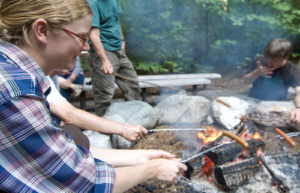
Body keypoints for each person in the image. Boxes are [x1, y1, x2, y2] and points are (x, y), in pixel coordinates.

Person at [0, 1, 187, 192]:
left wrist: (138, 157)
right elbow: (81, 184)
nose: (86, 47)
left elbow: (62, 151)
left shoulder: (16, 71)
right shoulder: (15, 91)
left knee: (73, 134)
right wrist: (150, 170)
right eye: (82, 37)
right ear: (42, 30)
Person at [47, 74, 148, 142]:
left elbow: (68, 114)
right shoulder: (36, 77)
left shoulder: (46, 76)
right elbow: (70, 115)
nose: (87, 47)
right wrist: (123, 129)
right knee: (75, 134)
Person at [87, 0, 140, 116]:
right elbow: (93, 35)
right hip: (104, 51)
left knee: (132, 85)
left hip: (118, 50)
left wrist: (122, 41)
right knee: (104, 94)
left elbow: (116, 21)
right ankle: (104, 127)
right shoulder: (92, 3)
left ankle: (135, 118)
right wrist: (104, 60)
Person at [243, 38, 300, 123]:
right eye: (267, 58)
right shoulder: (259, 60)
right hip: (253, 100)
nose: (269, 63)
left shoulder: (292, 70)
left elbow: (299, 91)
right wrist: (256, 72)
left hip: (277, 104)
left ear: (286, 57)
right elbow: (246, 81)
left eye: (275, 60)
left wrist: (299, 108)